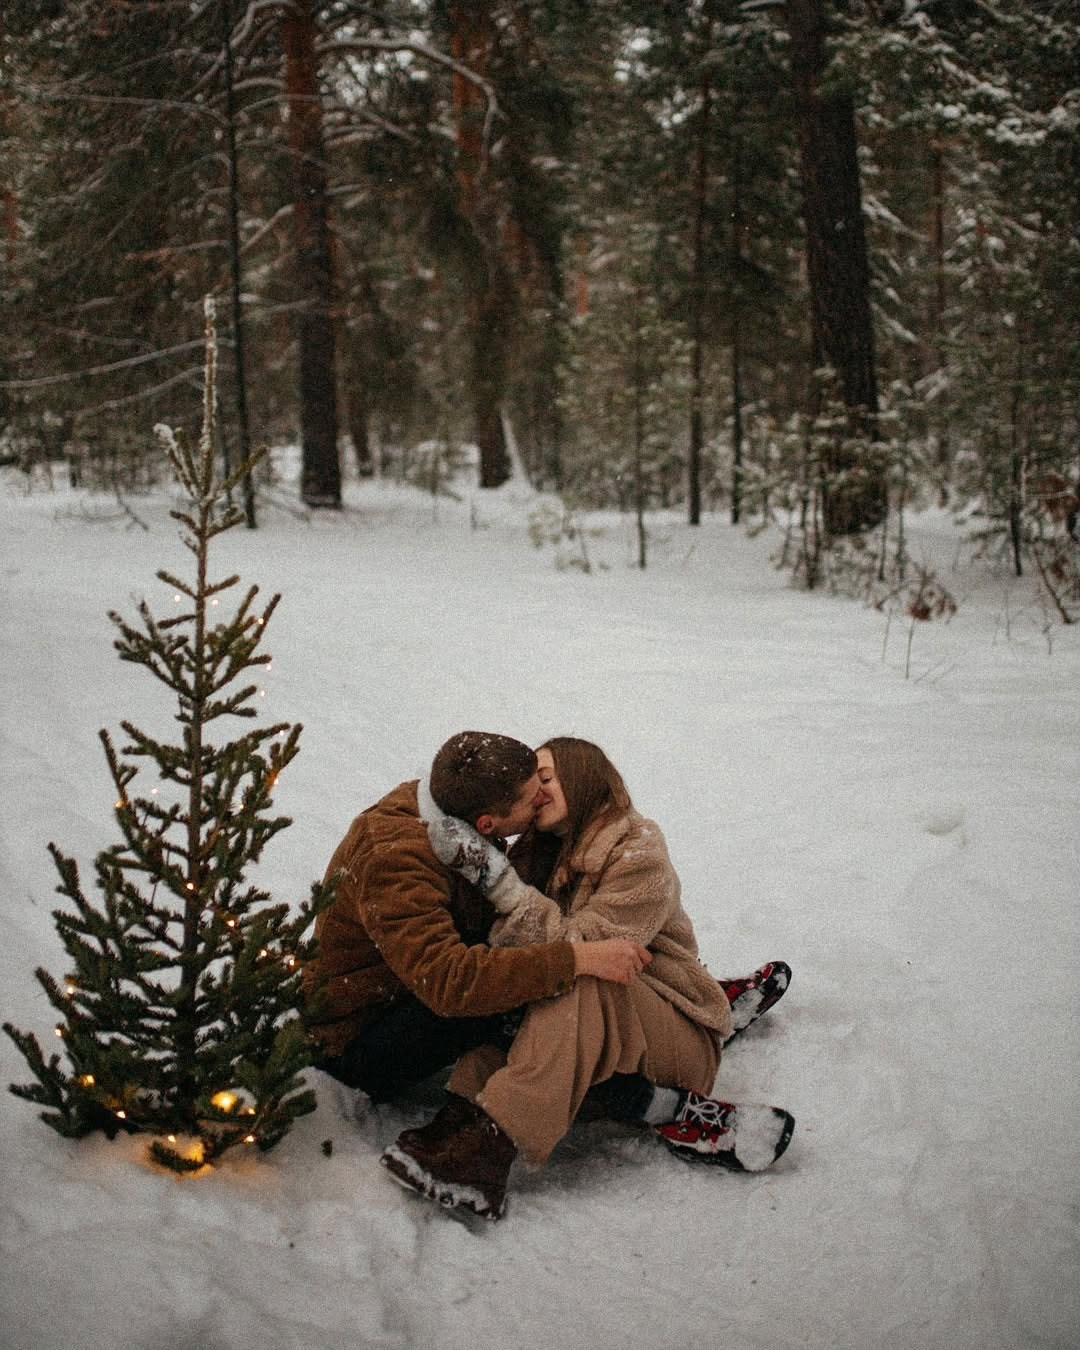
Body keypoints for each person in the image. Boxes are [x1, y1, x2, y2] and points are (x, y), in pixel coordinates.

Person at [381, 737, 795, 1220]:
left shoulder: (639, 852)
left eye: (547, 777)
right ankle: (461, 1124)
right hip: (608, 1038)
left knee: (581, 979)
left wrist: (505, 889)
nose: (537, 790)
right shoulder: (540, 853)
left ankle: (489, 1148)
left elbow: (583, 949)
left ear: (582, 777)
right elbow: (510, 950)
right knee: (521, 993)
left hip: (678, 1033)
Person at [302, 731, 651, 1104]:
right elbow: (451, 983)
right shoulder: (395, 863)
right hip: (357, 1041)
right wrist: (577, 959)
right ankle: (643, 1100)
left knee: (525, 972)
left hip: (405, 992)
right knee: (523, 1004)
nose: (541, 799)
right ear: (485, 825)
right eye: (532, 803)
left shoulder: (449, 801)